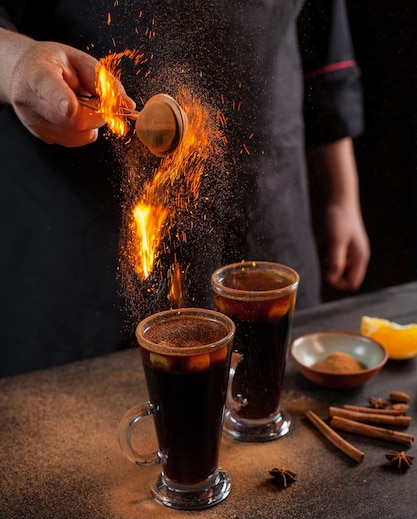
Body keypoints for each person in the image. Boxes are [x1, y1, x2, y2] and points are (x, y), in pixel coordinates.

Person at [0, 0, 370, 378]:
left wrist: (343, 194)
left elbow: (323, 35)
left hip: (267, 210)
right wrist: (16, 60)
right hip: (80, 242)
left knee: (265, 393)